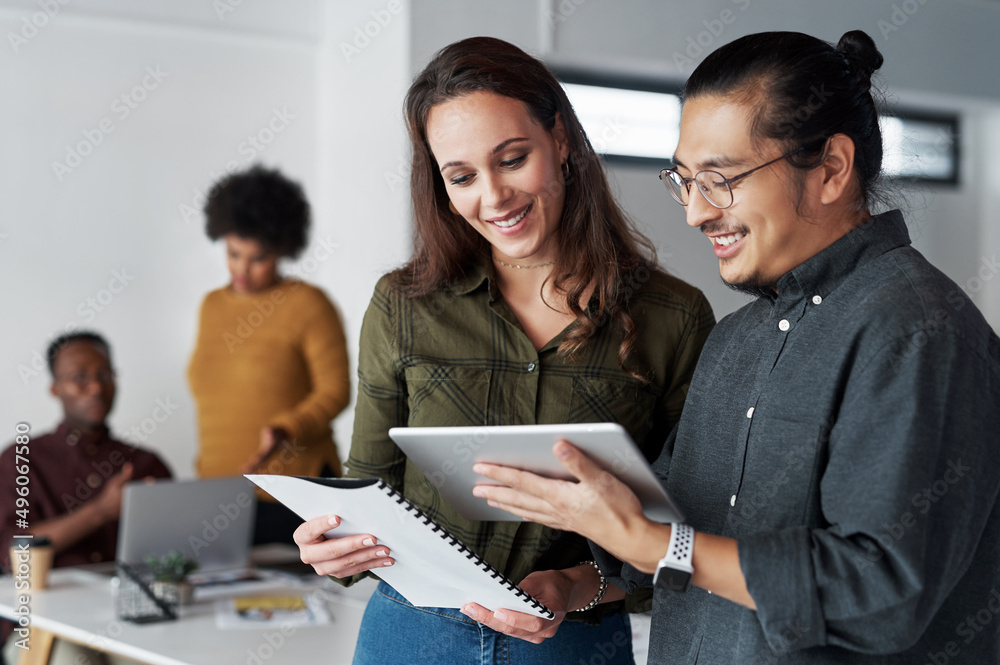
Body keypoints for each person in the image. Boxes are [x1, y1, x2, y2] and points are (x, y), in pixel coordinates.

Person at [471, 30, 1000, 664]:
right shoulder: (735, 341)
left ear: (831, 167)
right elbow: (668, 543)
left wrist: (661, 546)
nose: (695, 213)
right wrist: (576, 584)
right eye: (685, 180)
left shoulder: (918, 330)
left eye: (720, 180)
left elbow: (881, 592)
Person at [292, 37, 714, 664]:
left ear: (562, 141)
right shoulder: (404, 305)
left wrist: (578, 584)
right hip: (412, 637)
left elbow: (688, 532)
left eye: (513, 159)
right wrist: (333, 544)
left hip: (575, 644)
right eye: (461, 177)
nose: (493, 198)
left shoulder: (671, 317)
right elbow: (370, 490)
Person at [188, 164, 351, 545]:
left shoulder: (307, 304)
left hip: (293, 491)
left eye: (257, 258)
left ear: (282, 250)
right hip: (220, 494)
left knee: (293, 603)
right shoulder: (211, 305)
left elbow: (336, 391)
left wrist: (286, 429)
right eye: (233, 253)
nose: (242, 270)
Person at [0, 331, 171, 665]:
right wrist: (99, 512)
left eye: (104, 376)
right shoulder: (20, 459)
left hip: (135, 615)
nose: (95, 387)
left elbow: (180, 550)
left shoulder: (146, 462)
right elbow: (10, 554)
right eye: (80, 377)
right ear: (55, 387)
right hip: (43, 621)